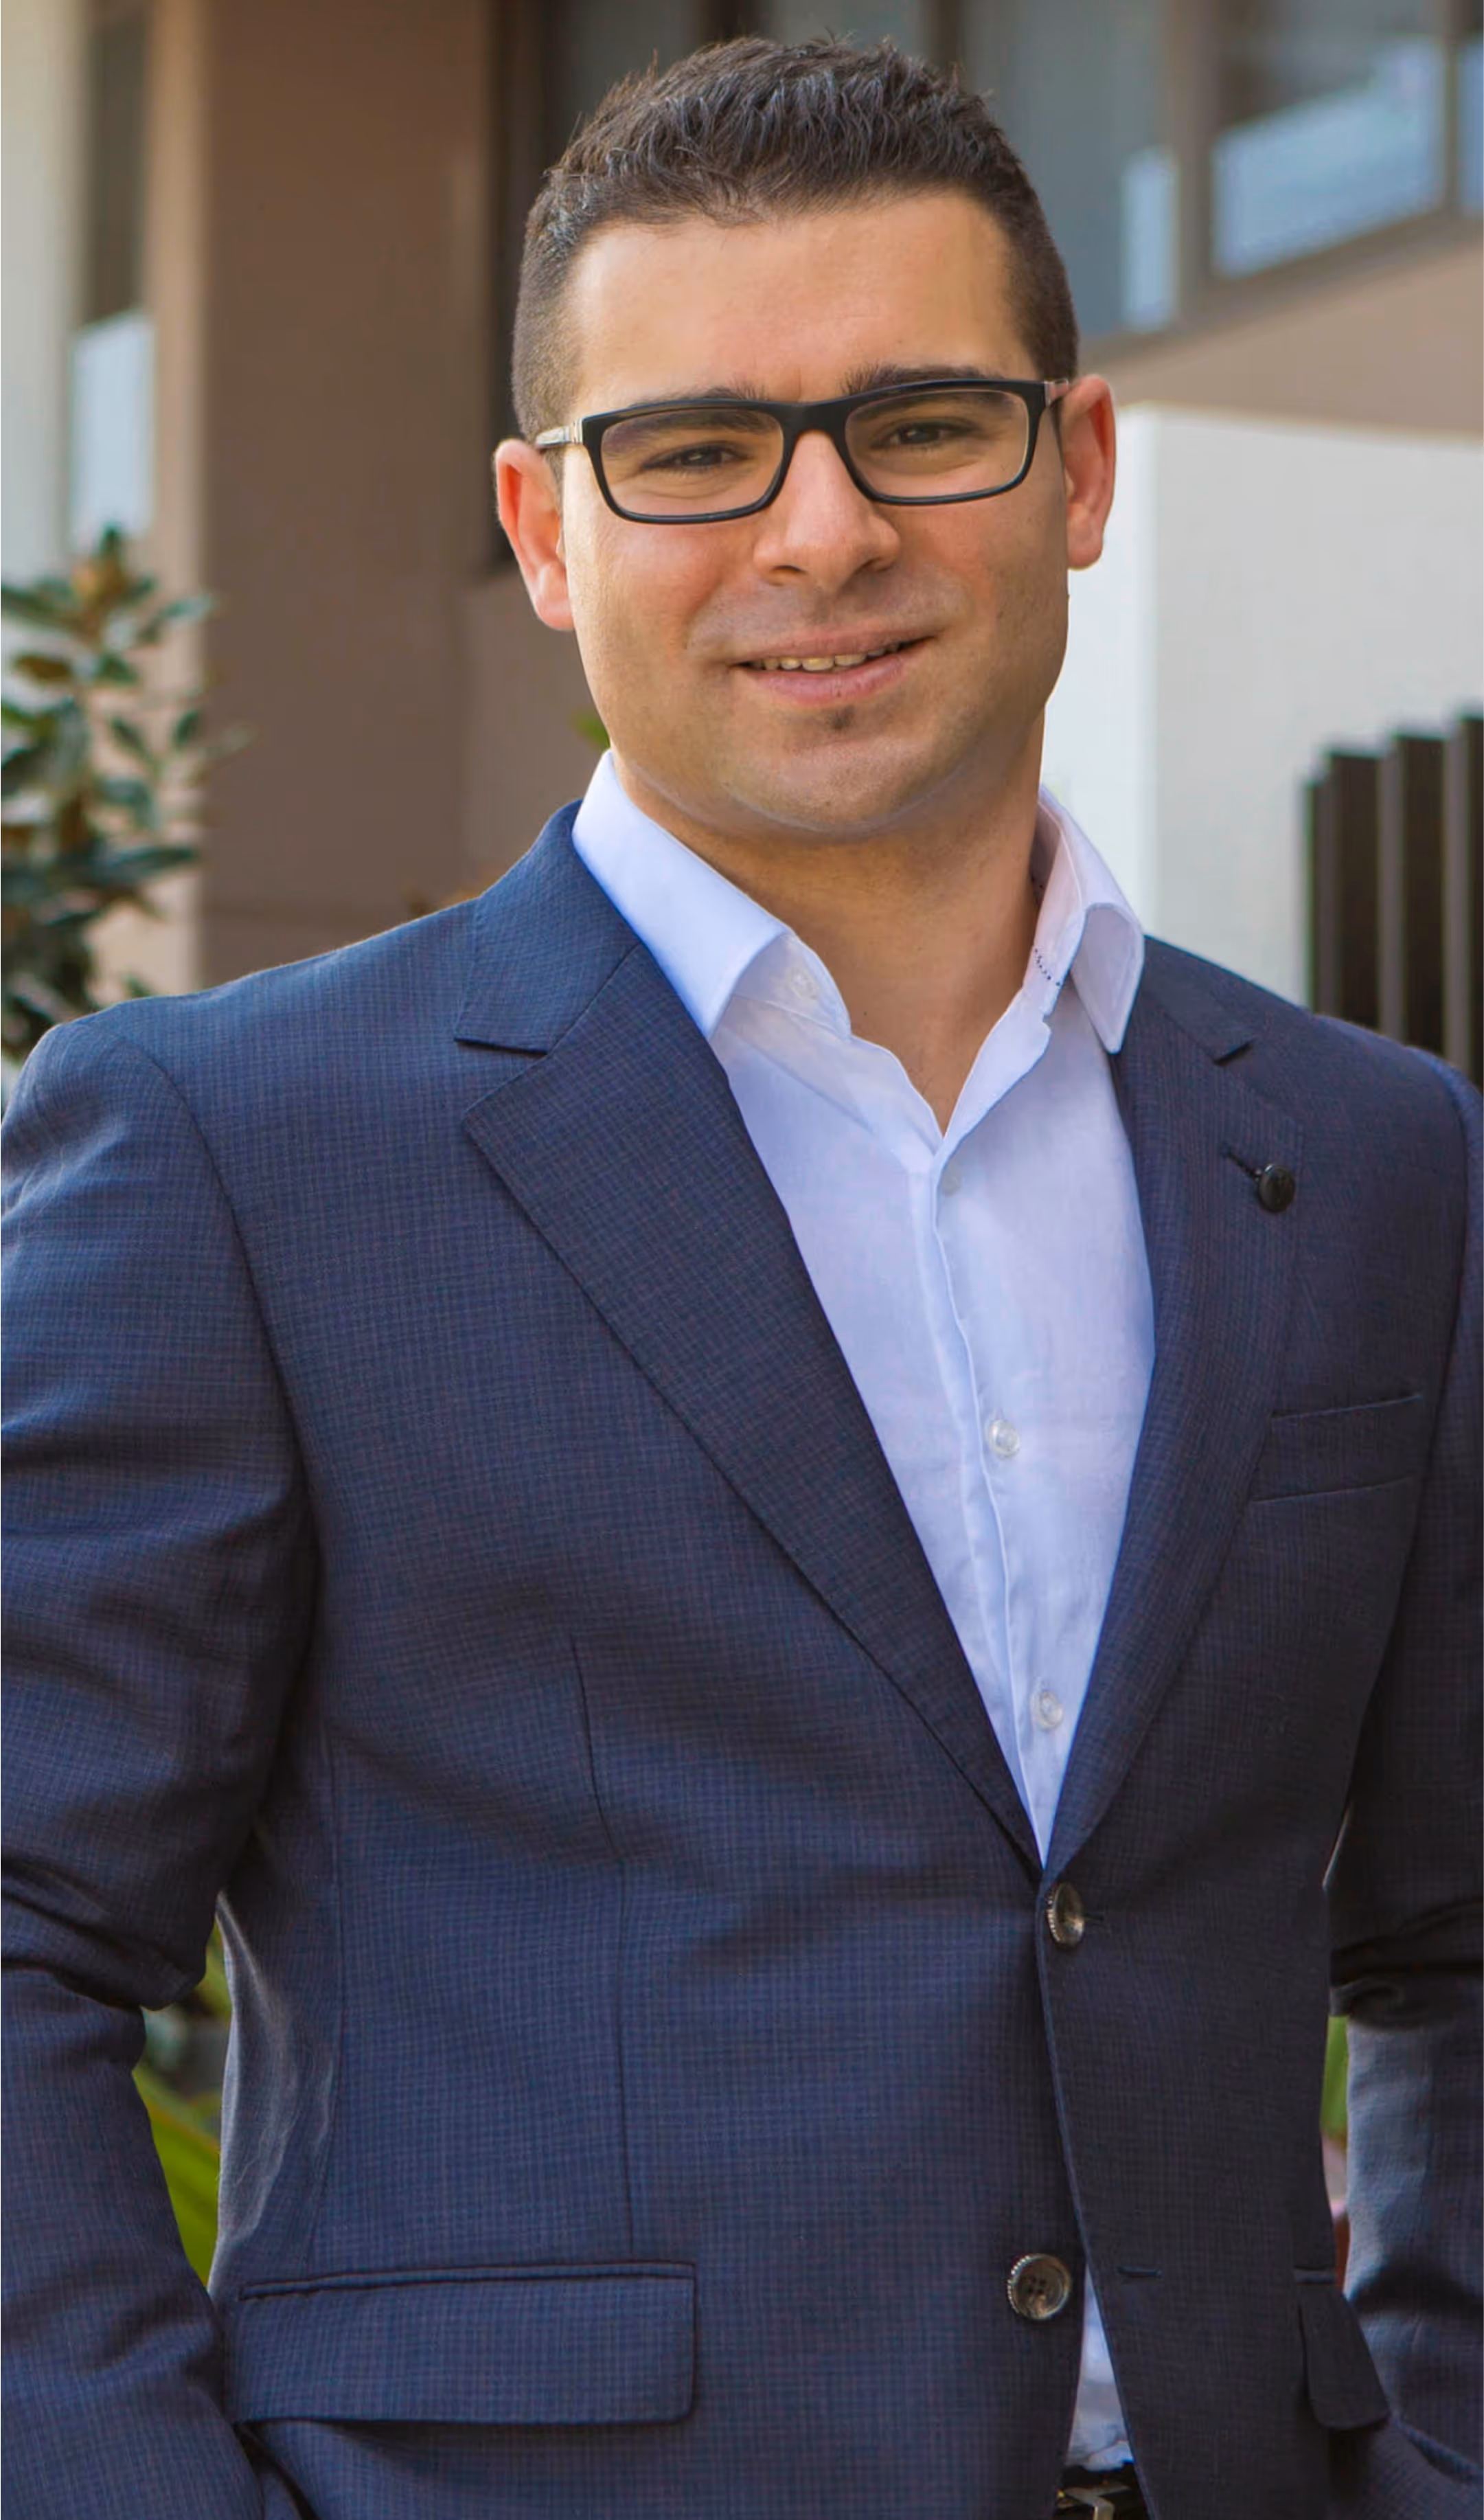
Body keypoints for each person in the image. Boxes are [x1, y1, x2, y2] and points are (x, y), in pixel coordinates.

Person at [3, 35, 1478, 2520]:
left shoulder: (1371, 1155)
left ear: (1081, 465)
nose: (819, 533)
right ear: (545, 525)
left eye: (922, 420)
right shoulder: (235, 1150)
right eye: (694, 449)